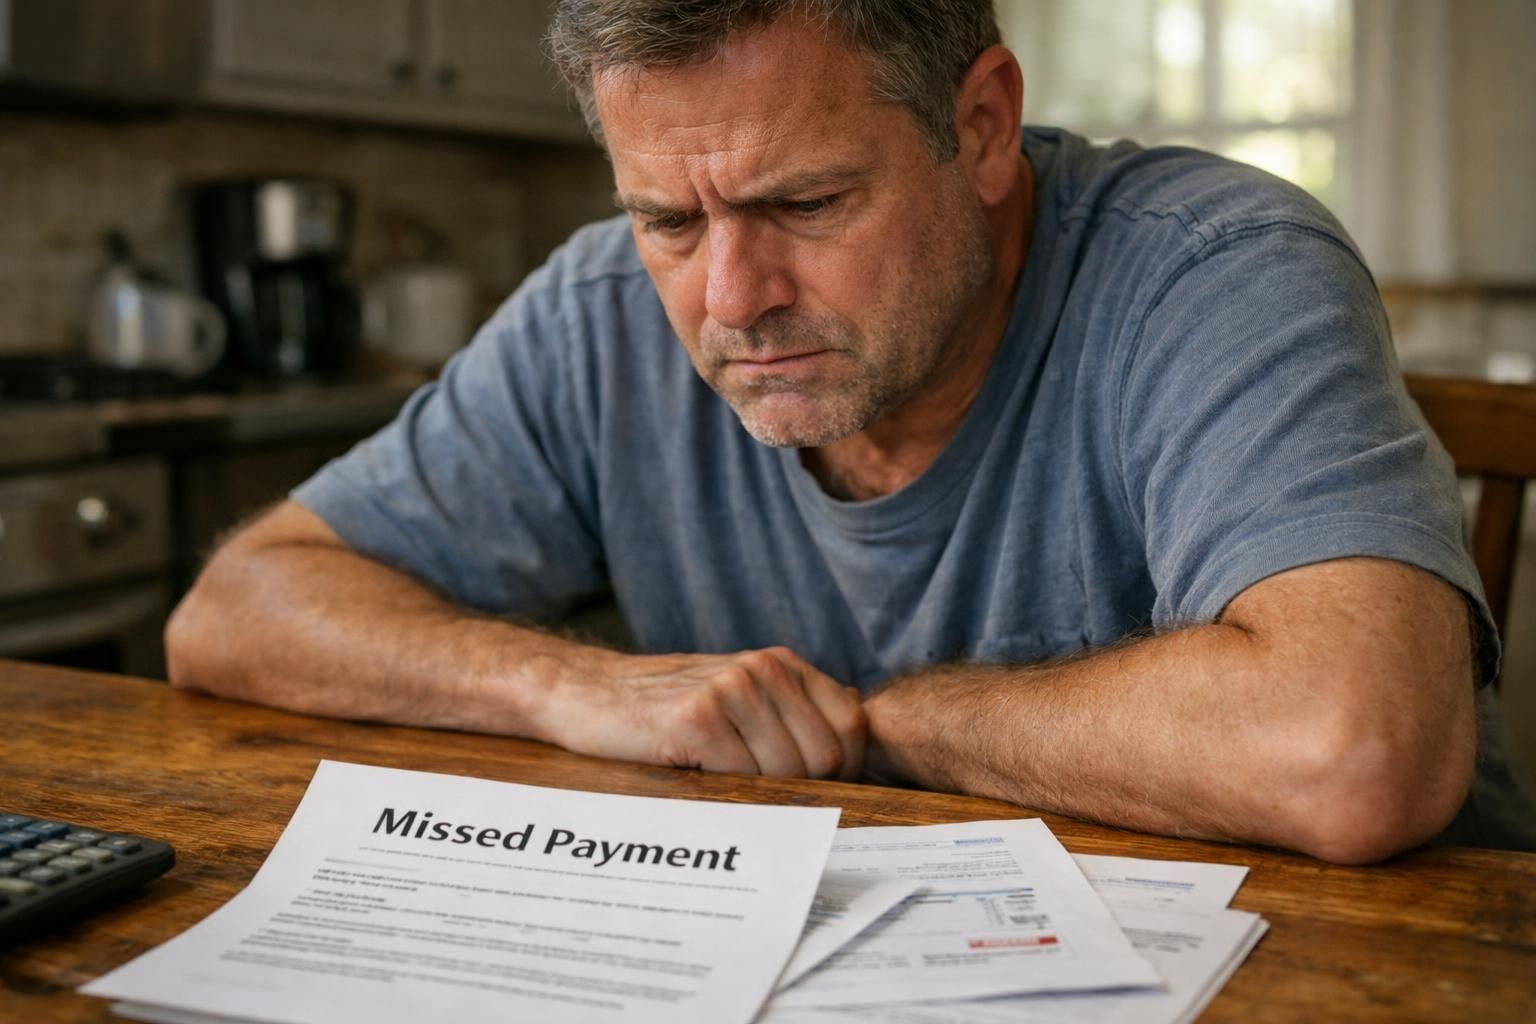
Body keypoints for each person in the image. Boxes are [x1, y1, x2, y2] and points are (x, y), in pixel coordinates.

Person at [165, 0, 1528, 863]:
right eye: (670, 222)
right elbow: (236, 610)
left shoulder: (1214, 266)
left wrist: (900, 720)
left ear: (982, 127)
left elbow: (1355, 753)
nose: (731, 301)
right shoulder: (598, 310)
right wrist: (565, 686)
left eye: (807, 205)